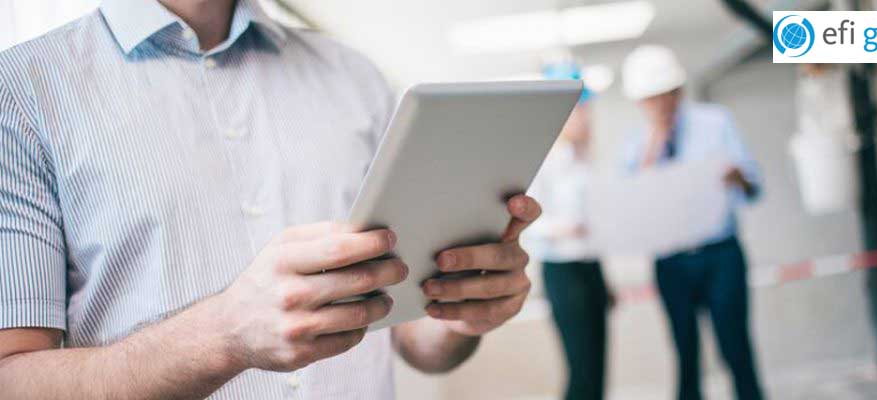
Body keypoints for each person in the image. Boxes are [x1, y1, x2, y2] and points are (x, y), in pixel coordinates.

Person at [0, 1, 544, 398]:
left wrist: (460, 311)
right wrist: (225, 334)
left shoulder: (355, 78)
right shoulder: (22, 93)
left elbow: (411, 341)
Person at [621, 45, 765, 400]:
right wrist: (653, 145)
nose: (659, 105)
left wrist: (737, 178)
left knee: (735, 346)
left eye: (664, 96)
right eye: (649, 99)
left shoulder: (715, 123)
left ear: (678, 92)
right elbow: (632, 208)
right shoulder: (634, 148)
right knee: (685, 353)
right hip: (671, 262)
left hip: (720, 255)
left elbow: (754, 187)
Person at [527, 61, 613, 400]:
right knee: (582, 369)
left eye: (587, 108)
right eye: (579, 109)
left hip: (592, 267)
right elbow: (530, 225)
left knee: (600, 366)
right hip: (562, 272)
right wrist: (565, 229)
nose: (586, 117)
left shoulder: (586, 159)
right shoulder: (543, 160)